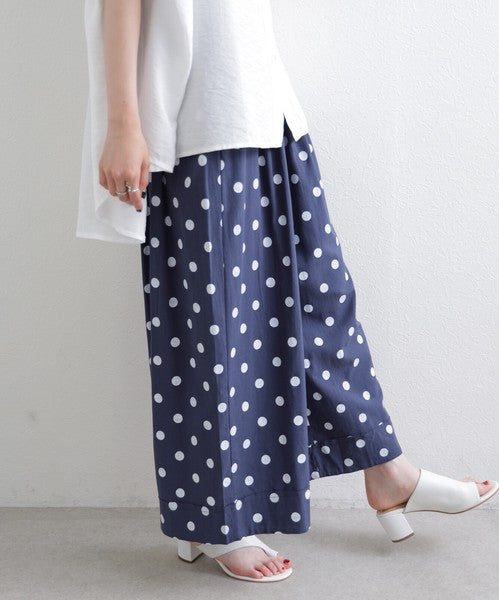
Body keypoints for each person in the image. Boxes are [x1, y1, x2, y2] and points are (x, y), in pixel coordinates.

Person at [76, 0, 498, 584]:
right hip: (198, 125)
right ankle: (211, 518)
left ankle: (387, 470)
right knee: (220, 338)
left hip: (268, 112)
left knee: (322, 307)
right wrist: (124, 124)